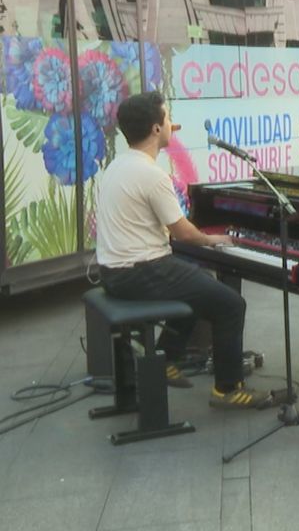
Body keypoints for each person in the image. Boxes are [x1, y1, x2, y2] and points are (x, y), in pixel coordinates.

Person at [94, 92, 270, 409]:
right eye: (167, 116)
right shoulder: (151, 175)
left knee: (196, 282)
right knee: (231, 305)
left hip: (113, 272)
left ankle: (167, 358)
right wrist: (217, 240)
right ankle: (227, 390)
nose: (172, 122)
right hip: (141, 272)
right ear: (156, 129)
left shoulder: (118, 166)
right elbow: (184, 233)